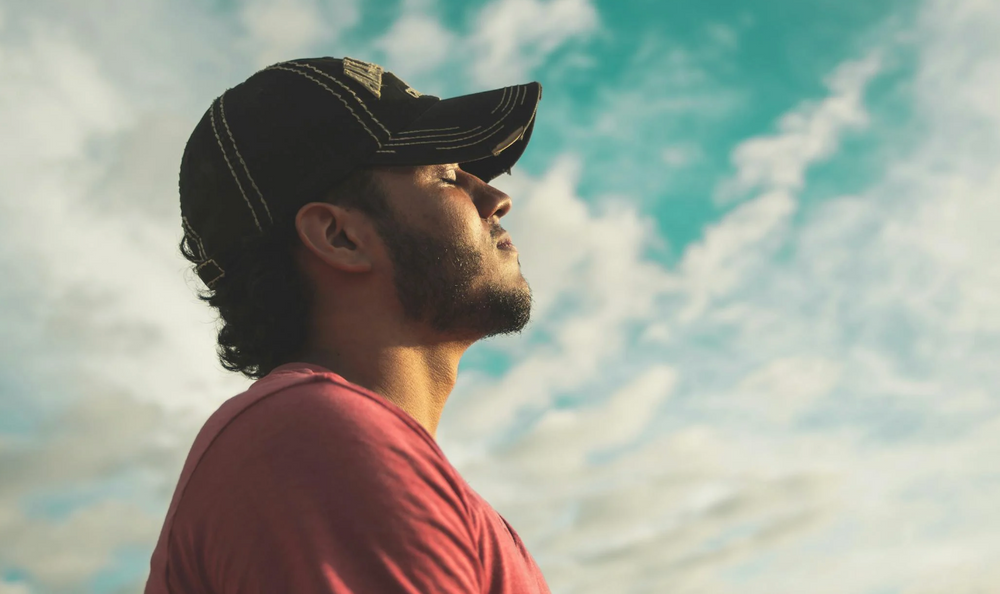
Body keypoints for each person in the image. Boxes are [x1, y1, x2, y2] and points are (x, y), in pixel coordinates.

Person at [144, 56, 549, 593]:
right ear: (339, 238)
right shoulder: (316, 440)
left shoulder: (335, 448)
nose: (497, 199)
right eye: (446, 175)